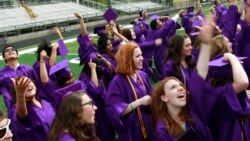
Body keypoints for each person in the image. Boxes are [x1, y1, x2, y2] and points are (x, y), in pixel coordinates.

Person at [106, 42, 153, 141]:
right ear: (128, 59)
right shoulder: (117, 82)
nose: (142, 58)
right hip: (131, 130)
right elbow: (115, 111)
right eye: (138, 56)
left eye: (141, 55)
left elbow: (151, 97)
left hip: (148, 124)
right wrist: (139, 102)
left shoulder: (142, 75)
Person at [151, 77, 198, 141]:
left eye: (181, 85)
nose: (181, 88)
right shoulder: (162, 131)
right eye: (173, 87)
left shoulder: (192, 113)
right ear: (164, 98)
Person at [10, 76, 55, 141]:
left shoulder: (45, 103)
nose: (27, 85)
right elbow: (22, 115)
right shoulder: (18, 109)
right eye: (22, 86)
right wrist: (20, 94)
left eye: (28, 81)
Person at [0, 45, 38, 117]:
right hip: (14, 109)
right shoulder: (1, 75)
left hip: (33, 105)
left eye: (12, 49)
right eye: (7, 51)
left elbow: (38, 86)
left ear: (18, 55)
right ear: (4, 57)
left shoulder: (28, 69)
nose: (10, 51)